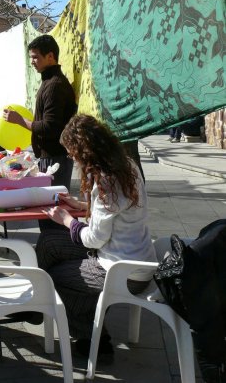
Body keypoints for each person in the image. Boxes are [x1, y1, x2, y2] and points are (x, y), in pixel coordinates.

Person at [35, 114, 155, 360]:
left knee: (54, 276)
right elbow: (114, 212)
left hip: (123, 271)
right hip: (133, 257)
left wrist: (67, 220)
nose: (70, 157)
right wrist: (79, 203)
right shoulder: (126, 166)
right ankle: (40, 304)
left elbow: (93, 239)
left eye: (71, 152)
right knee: (48, 242)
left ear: (84, 150)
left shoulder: (106, 181)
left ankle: (93, 337)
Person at [3, 35, 77, 190]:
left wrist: (19, 120)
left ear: (50, 56)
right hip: (50, 158)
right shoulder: (49, 82)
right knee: (49, 208)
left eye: (35, 57)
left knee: (55, 207)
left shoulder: (54, 85)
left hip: (56, 159)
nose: (32, 62)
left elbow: (49, 127)